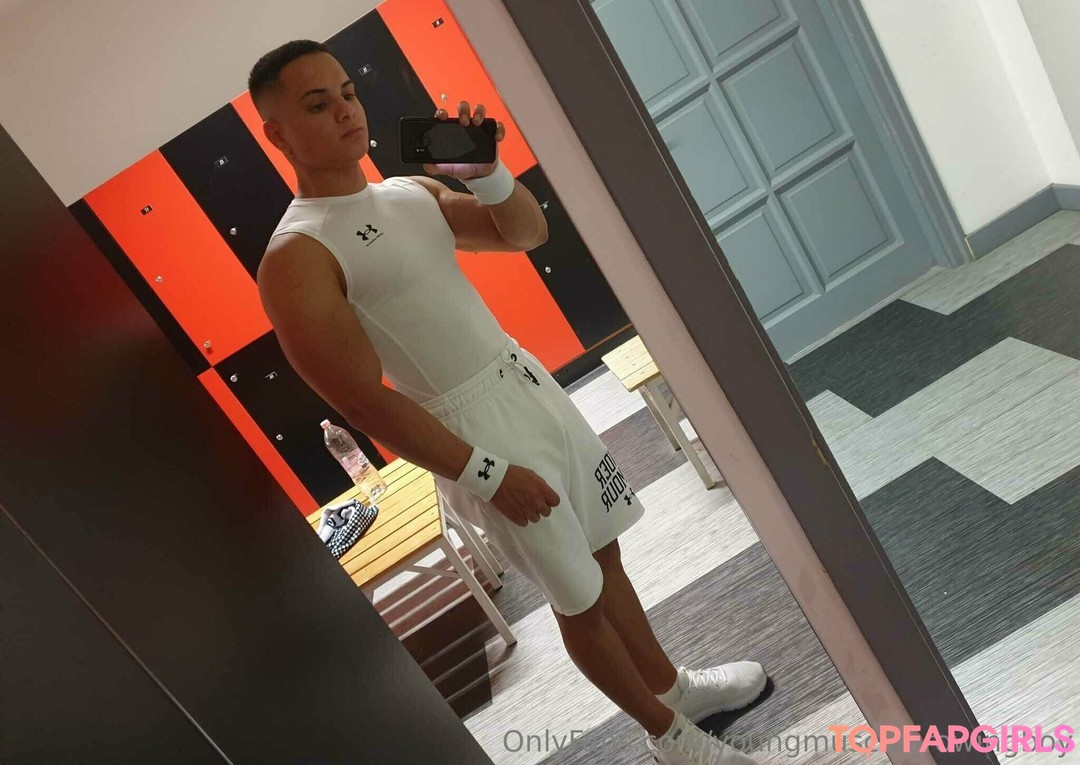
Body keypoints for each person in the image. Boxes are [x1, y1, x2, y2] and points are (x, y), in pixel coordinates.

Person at [249, 39, 767, 765]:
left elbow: (525, 231)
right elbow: (363, 403)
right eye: (317, 104)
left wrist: (487, 173)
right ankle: (670, 739)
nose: (344, 111)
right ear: (277, 134)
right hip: (468, 426)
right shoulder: (296, 256)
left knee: (605, 551)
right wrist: (487, 474)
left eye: (348, 93)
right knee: (577, 595)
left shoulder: (409, 192)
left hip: (523, 381)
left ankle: (673, 688)